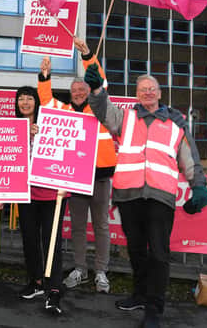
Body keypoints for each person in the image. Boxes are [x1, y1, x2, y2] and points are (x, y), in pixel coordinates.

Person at [84, 65, 207, 328]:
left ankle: (154, 308)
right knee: (137, 250)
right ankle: (140, 295)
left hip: (160, 196)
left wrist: (199, 186)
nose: (148, 93)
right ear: (137, 95)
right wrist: (96, 90)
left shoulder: (176, 122)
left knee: (159, 254)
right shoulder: (125, 117)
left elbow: (189, 158)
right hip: (128, 194)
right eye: (143, 90)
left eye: (152, 89)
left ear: (160, 93)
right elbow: (101, 109)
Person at [37, 37, 117, 293]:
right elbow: (46, 101)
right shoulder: (65, 110)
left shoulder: (99, 107)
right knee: (79, 226)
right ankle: (80, 268)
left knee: (102, 225)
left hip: (102, 175)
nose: (79, 93)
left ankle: (101, 271)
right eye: (74, 91)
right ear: (70, 94)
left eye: (82, 89)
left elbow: (100, 81)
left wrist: (88, 56)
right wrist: (44, 76)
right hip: (76, 177)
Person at [15, 86, 66, 315]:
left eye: (29, 98)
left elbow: (66, 150)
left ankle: (54, 288)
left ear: (36, 101)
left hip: (53, 194)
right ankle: (35, 281)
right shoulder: (12, 128)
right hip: (25, 193)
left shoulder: (51, 123)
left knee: (51, 241)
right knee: (29, 239)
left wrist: (41, 134)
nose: (25, 103)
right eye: (21, 99)